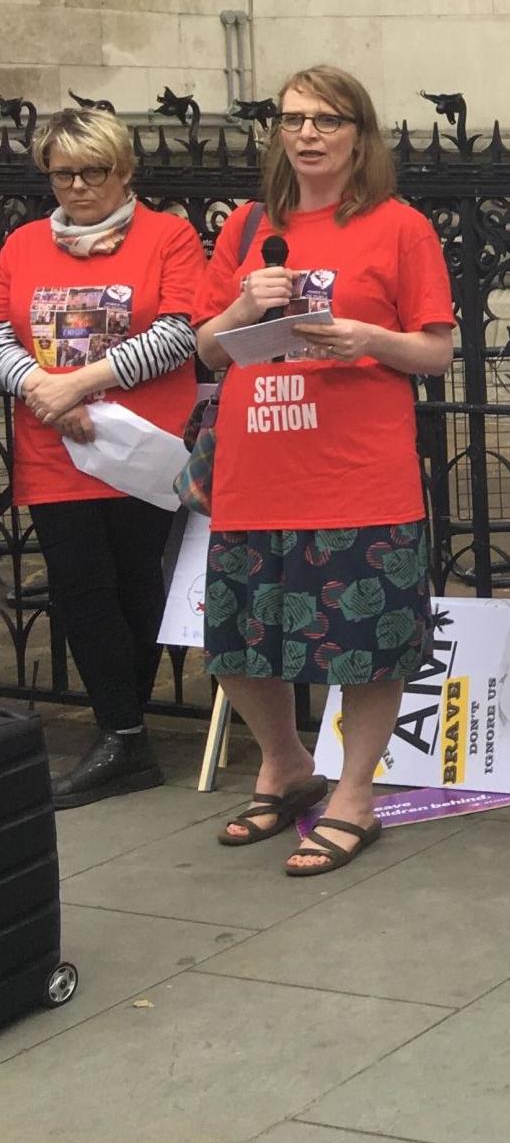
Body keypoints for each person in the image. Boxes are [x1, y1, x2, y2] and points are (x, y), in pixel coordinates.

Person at [193, 67, 455, 874]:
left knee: (363, 646)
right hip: (256, 470)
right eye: (293, 119)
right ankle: (284, 763)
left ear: (358, 135)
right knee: (237, 644)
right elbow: (204, 348)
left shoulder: (398, 227)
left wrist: (368, 340)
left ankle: (354, 793)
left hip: (356, 474)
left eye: (327, 120)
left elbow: (437, 351)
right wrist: (241, 308)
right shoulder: (244, 227)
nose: (307, 134)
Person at [0, 108, 204, 805]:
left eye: (96, 171)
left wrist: (78, 384)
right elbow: (1, 335)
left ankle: (125, 735)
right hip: (55, 445)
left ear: (124, 172)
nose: (79, 185)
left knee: (137, 584)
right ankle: (123, 733)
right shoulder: (22, 244)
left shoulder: (168, 235)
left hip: (139, 445)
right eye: (64, 173)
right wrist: (39, 388)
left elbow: (180, 332)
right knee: (80, 589)